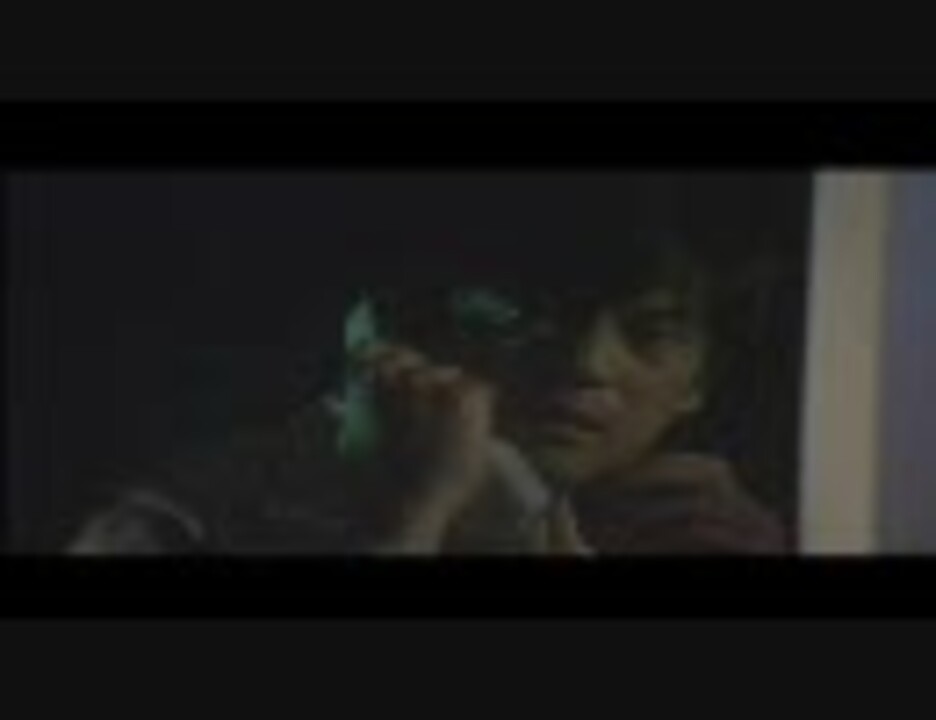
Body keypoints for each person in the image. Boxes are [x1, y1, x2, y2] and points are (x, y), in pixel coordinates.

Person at [67, 235, 786, 555]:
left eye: (652, 334)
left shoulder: (697, 529)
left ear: (699, 386)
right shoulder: (229, 495)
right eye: (545, 319)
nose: (585, 364)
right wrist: (418, 515)